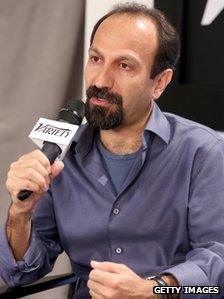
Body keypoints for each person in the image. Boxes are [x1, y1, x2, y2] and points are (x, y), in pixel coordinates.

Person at [1, 3, 224, 299]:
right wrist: (20, 213)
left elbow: (216, 279)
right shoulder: (60, 154)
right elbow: (21, 272)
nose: (101, 81)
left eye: (124, 65)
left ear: (159, 82)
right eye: (96, 58)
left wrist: (152, 290)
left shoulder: (203, 152)